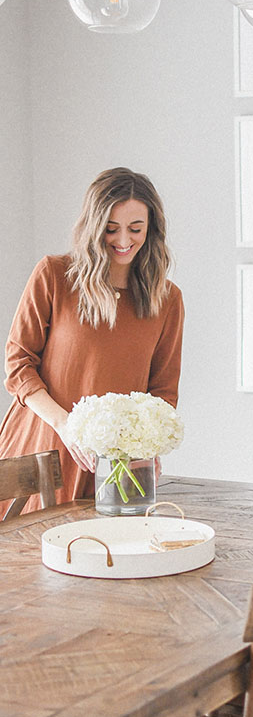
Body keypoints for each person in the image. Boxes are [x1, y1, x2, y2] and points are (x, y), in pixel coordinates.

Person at [0, 167, 184, 514]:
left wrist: (148, 447)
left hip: (116, 465)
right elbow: (18, 364)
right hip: (42, 449)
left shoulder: (167, 300)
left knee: (111, 557)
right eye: (111, 229)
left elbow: (163, 392)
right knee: (25, 560)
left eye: (136, 228)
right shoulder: (53, 275)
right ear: (93, 226)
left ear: (152, 229)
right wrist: (65, 425)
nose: (123, 240)